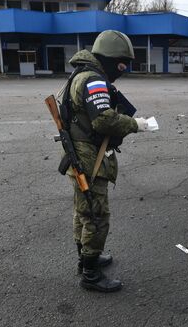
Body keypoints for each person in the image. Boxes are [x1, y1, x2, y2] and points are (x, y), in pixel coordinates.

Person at [61, 30, 149, 292]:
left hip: (80, 157)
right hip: (89, 160)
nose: (123, 69)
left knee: (84, 212)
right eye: (121, 63)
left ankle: (86, 258)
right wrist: (136, 124)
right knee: (97, 216)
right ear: (109, 58)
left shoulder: (82, 74)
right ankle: (90, 274)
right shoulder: (92, 80)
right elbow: (104, 120)